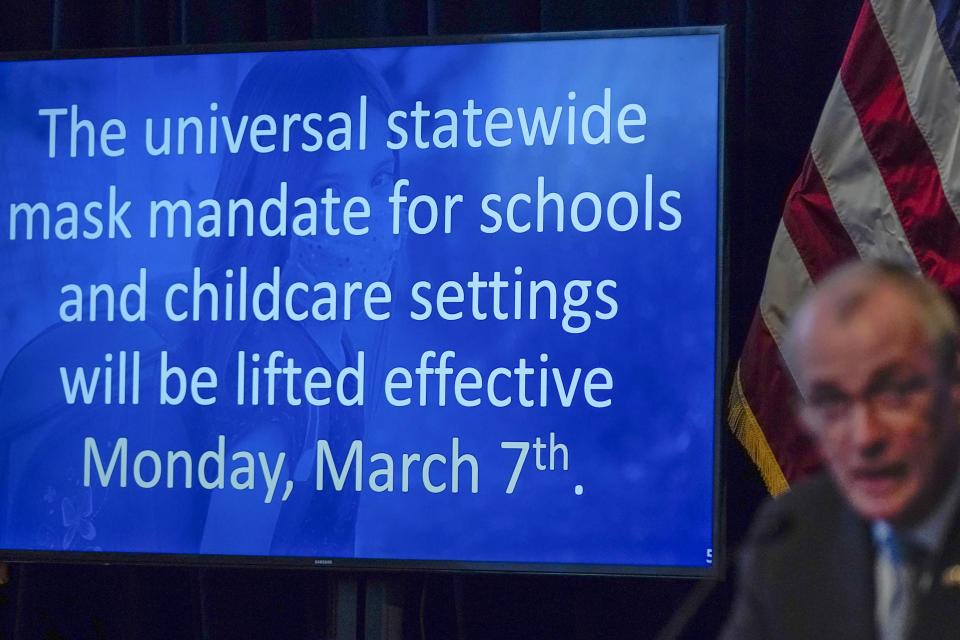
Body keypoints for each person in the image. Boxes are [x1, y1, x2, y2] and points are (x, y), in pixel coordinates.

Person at [721, 260, 960, 640]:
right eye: (831, 403)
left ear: (952, 381)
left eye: (894, 392)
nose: (865, 436)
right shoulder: (794, 537)